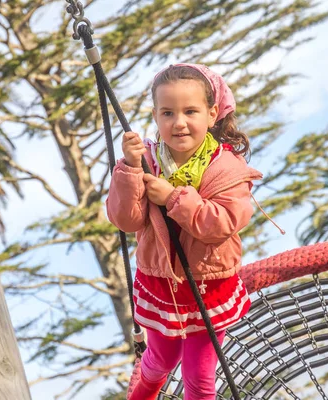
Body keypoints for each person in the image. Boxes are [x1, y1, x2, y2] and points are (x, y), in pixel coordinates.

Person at [106, 63, 261, 400]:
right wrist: (130, 170)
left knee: (199, 377)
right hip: (161, 284)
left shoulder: (227, 168)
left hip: (209, 288)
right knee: (160, 358)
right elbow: (126, 220)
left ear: (212, 113)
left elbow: (221, 225)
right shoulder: (147, 160)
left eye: (190, 111)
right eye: (167, 112)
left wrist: (174, 198)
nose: (178, 122)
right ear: (155, 116)